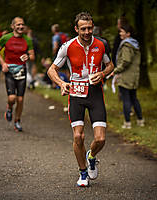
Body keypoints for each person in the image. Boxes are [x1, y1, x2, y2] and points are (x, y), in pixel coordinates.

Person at [47, 12, 114, 187]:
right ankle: (83, 173)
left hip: (95, 94)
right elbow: (51, 70)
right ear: (76, 29)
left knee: (100, 139)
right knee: (78, 136)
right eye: (83, 28)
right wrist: (62, 83)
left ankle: (91, 157)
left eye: (89, 28)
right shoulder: (67, 46)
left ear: (93, 27)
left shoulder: (101, 44)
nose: (86, 32)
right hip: (76, 94)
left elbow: (110, 65)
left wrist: (102, 73)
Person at [0, 17, 35, 132]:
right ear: (13, 26)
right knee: (12, 98)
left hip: (21, 70)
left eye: (22, 24)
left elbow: (32, 56)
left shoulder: (27, 40)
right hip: (9, 70)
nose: (20, 27)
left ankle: (17, 121)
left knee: (21, 99)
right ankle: (9, 107)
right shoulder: (6, 38)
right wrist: (3, 64)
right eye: (18, 25)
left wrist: (27, 56)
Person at [110, 24, 144, 129]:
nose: (120, 33)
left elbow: (126, 61)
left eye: (122, 31)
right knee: (134, 98)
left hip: (125, 76)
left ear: (128, 34)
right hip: (133, 76)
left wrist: (115, 71)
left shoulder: (126, 45)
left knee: (126, 100)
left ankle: (127, 123)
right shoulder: (134, 44)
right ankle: (140, 121)